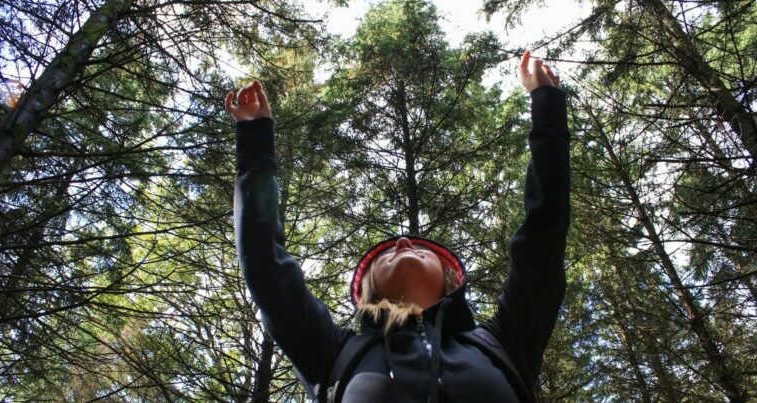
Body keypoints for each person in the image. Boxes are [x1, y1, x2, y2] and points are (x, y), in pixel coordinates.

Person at [226, 50, 569, 403]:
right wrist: (254, 138)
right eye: (387, 251)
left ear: (450, 279)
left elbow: (543, 238)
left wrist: (548, 109)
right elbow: (266, 267)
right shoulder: (332, 352)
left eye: (420, 247)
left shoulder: (503, 342)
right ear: (368, 288)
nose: (403, 241)